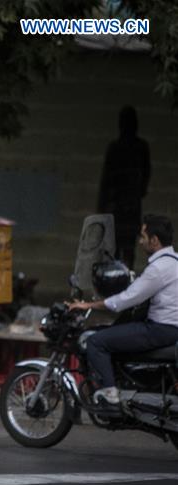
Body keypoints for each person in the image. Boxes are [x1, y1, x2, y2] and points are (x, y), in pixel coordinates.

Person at [69, 214, 178, 412]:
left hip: (159, 329)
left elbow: (128, 299)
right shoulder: (175, 262)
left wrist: (89, 305)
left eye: (143, 237)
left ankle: (110, 394)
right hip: (171, 329)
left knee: (97, 341)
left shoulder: (158, 269)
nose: (140, 241)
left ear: (154, 240)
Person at [97, 105, 151, 269]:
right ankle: (117, 281)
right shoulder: (117, 147)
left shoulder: (140, 147)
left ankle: (125, 280)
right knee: (116, 248)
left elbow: (146, 172)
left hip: (128, 206)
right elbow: (107, 179)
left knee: (127, 248)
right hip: (118, 206)